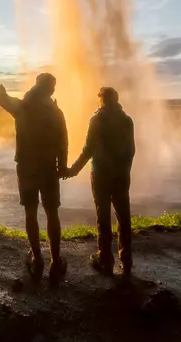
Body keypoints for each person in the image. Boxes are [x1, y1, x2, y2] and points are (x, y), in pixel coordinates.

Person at [0, 74, 68, 281]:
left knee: (30, 211)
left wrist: (0, 90)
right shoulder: (55, 112)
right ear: (51, 89)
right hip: (48, 168)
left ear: (36, 85)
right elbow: (63, 140)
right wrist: (62, 165)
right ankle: (55, 262)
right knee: (52, 212)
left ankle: (37, 259)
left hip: (26, 166)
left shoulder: (23, 107)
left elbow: (4, 101)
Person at [66, 86, 136, 277]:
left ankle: (104, 259)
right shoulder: (127, 120)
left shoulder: (97, 119)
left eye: (99, 99)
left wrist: (73, 170)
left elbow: (88, 148)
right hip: (122, 175)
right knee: (124, 216)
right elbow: (131, 150)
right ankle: (126, 261)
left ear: (102, 100)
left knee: (103, 215)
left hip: (101, 174)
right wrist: (125, 170)